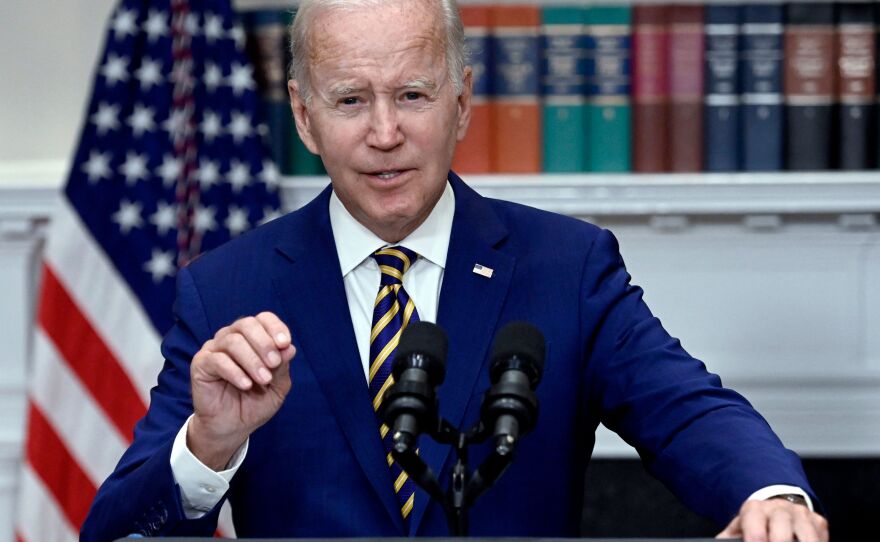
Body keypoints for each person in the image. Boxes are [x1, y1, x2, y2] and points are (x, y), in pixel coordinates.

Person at [81, 1, 829, 541]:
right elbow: (115, 534)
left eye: (412, 94)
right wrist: (208, 447)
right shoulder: (226, 288)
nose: (384, 134)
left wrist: (771, 494)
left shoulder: (566, 267)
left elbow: (688, 408)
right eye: (350, 101)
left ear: (462, 100)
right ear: (304, 116)